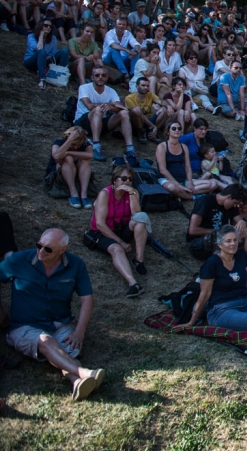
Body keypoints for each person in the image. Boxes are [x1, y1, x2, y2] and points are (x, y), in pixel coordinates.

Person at [0, 228, 105, 401]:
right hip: (24, 326)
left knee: (67, 350)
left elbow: (87, 299)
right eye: (39, 245)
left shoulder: (76, 264)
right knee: (46, 342)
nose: (41, 251)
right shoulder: (19, 261)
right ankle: (84, 372)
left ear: (63, 250)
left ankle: (76, 382)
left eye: (48, 249)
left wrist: (79, 331)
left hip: (59, 324)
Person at [84, 165, 149, 297]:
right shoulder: (105, 194)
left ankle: (139, 260)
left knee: (142, 218)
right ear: (115, 180)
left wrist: (131, 193)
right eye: (123, 178)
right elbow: (100, 224)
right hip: (102, 232)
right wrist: (121, 242)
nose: (127, 182)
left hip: (121, 228)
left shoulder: (132, 192)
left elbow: (137, 215)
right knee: (116, 249)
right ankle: (133, 284)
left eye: (130, 179)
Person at [75, 67, 135, 162]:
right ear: (92, 77)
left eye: (103, 75)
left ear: (107, 77)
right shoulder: (84, 88)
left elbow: (119, 107)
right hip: (83, 122)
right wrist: (110, 104)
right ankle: (96, 145)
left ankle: (130, 148)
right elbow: (89, 106)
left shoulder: (111, 91)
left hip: (101, 123)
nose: (100, 77)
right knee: (98, 109)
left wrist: (112, 107)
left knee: (124, 113)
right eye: (97, 75)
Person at [186, 184, 247, 260]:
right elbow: (192, 230)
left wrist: (243, 221)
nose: (235, 206)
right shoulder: (205, 201)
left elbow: (240, 220)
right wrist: (218, 231)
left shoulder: (230, 206)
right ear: (229, 197)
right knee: (219, 238)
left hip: (222, 237)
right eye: (235, 202)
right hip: (200, 242)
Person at [47, 126, 94, 209]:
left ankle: (84, 195)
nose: (76, 147)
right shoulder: (59, 142)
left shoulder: (85, 144)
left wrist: (69, 152)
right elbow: (56, 156)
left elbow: (90, 155)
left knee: (85, 160)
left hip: (77, 174)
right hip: (59, 176)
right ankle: (73, 193)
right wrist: (69, 141)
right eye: (73, 144)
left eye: (78, 145)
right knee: (68, 159)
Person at [24, 18, 69, 89]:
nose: (48, 28)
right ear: (40, 26)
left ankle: (62, 75)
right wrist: (41, 36)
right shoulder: (31, 36)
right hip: (31, 61)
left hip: (45, 60)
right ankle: (42, 79)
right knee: (42, 51)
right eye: (46, 25)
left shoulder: (53, 38)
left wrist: (48, 56)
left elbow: (54, 52)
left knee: (64, 51)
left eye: (50, 26)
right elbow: (39, 48)